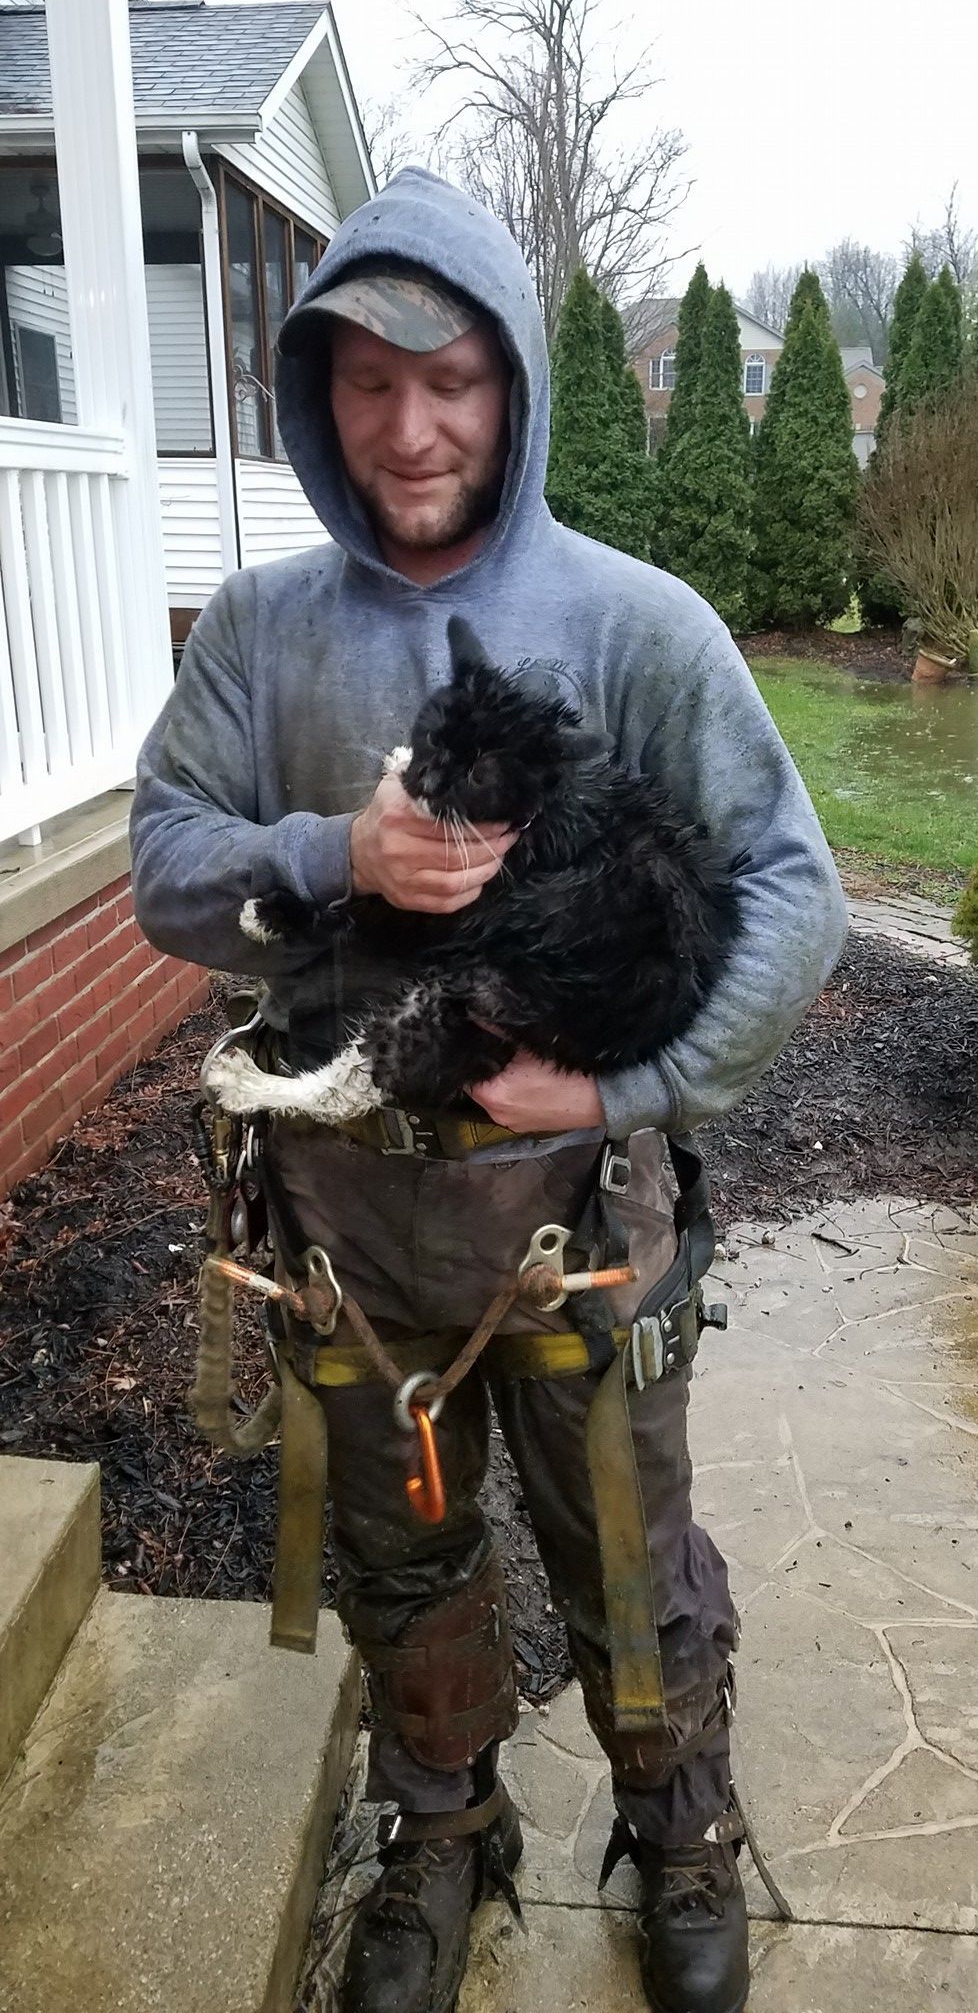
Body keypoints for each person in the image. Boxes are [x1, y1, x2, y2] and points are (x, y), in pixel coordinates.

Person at [130, 168, 846, 2013]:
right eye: (364, 381)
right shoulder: (262, 633)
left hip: (578, 1226)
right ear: (316, 395)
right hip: (347, 1231)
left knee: (627, 1541)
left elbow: (795, 891)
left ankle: (675, 1821)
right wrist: (330, 853)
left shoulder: (639, 623)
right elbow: (159, 867)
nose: (409, 424)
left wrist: (629, 1088)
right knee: (402, 1543)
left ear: (512, 382)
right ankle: (444, 1830)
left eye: (446, 377)